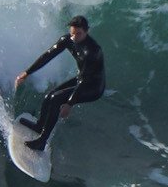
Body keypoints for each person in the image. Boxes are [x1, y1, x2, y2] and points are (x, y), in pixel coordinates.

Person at [13, 15, 105, 151]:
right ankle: (39, 126)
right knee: (49, 96)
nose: (74, 37)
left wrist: (69, 103)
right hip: (82, 78)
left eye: (78, 34)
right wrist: (27, 73)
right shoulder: (68, 40)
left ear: (87, 31)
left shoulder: (92, 51)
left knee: (56, 99)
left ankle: (42, 142)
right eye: (72, 33)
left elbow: (85, 80)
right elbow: (48, 55)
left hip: (93, 87)